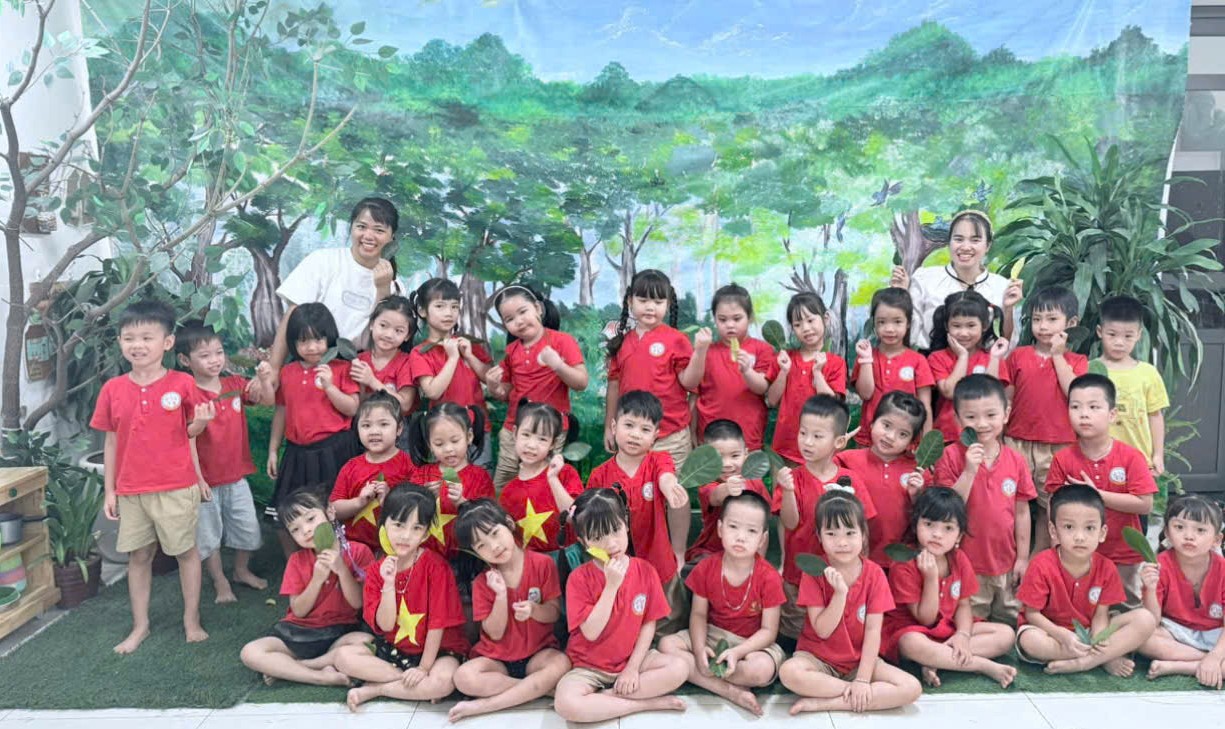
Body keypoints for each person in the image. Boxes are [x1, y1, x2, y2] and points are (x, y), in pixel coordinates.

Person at [90, 299, 211, 653]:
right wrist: (110, 490)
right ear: (120, 342)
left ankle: (191, 620)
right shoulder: (112, 389)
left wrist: (201, 424)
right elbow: (111, 442)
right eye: (129, 338)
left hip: (177, 486)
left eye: (147, 337)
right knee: (138, 557)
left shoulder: (183, 383)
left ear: (167, 342)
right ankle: (140, 625)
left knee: (185, 552)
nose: (138, 345)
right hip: (131, 490)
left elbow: (191, 432)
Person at [552, 489, 689, 723]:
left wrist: (632, 668)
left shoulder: (645, 570)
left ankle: (602, 701)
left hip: (632, 659)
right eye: (598, 537)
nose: (611, 543)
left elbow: (648, 624)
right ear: (583, 542)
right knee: (566, 703)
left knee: (679, 668)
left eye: (615, 530)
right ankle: (645, 704)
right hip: (588, 666)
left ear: (625, 524)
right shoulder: (579, 579)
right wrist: (611, 586)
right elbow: (591, 632)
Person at [778, 492, 922, 714]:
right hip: (818, 659)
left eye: (850, 533)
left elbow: (873, 631)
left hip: (859, 662)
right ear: (819, 537)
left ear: (863, 535)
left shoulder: (874, 574)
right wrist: (840, 594)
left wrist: (863, 679)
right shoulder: (814, 572)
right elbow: (823, 630)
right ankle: (854, 694)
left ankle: (826, 702)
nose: (842, 542)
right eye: (831, 533)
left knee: (911, 688)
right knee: (789, 672)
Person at [336, 486, 470, 709]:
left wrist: (424, 668)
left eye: (416, 528)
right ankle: (407, 684)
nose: (406, 536)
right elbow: (386, 625)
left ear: (425, 534)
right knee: (343, 657)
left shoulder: (436, 567)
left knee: (443, 681)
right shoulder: (376, 570)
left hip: (438, 651)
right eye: (398, 525)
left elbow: (437, 624)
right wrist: (388, 584)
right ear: (384, 524)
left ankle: (376, 689)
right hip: (396, 650)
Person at [659, 491, 786, 716]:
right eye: (733, 527)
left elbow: (768, 631)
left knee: (761, 669)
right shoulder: (706, 568)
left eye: (751, 531)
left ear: (762, 539)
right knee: (666, 645)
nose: (740, 537)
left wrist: (738, 652)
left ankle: (707, 675)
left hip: (750, 643)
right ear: (720, 529)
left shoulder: (769, 577)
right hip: (712, 634)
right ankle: (730, 691)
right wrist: (699, 649)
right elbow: (698, 615)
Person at [448, 500, 571, 721]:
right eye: (482, 546)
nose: (494, 547)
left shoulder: (543, 564)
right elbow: (494, 634)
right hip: (497, 660)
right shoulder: (482, 582)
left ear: (509, 524)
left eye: (495, 533)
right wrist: (500, 596)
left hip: (538, 654)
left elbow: (553, 613)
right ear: (475, 552)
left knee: (561, 663)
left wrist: (534, 610)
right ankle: (538, 689)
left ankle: (485, 705)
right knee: (463, 677)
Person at [1015, 484, 1157, 675]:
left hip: (1089, 631)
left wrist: (1099, 639)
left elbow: (1100, 615)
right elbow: (1032, 614)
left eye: (1089, 528)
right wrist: (1061, 635)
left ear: (1102, 533)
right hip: (1052, 633)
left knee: (1145, 619)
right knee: (1029, 640)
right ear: (1053, 531)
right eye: (1069, 527)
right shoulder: (1041, 565)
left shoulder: (1106, 567)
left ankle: (1085, 662)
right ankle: (1102, 658)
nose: (1080, 537)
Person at [884, 487, 1017, 688]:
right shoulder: (904, 564)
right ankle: (981, 665)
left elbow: (963, 605)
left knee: (1006, 635)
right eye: (929, 524)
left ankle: (937, 660)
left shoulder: (959, 559)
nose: (937, 534)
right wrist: (930, 578)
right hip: (914, 630)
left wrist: (962, 635)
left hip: (947, 628)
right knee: (911, 643)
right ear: (915, 525)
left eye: (948, 528)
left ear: (959, 536)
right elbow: (926, 619)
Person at [175, 320, 271, 603]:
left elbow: (266, 401)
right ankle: (220, 582)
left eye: (218, 352)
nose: (215, 360)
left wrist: (264, 380)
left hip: (237, 476)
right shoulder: (186, 395)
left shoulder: (235, 384)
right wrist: (198, 479)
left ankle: (241, 570)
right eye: (204, 355)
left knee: (248, 528)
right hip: (204, 481)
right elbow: (185, 438)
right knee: (208, 537)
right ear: (185, 360)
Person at [239, 491, 373, 686]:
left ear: (330, 512)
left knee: (366, 642)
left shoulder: (358, 552)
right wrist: (316, 580)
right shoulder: (296, 561)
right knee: (250, 652)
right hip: (298, 633)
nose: (306, 530)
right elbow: (299, 611)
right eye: (295, 529)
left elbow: (358, 603)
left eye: (311, 519)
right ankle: (322, 676)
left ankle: (297, 667)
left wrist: (342, 571)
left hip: (340, 633)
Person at [1045, 374, 1157, 608]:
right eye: (1075, 407)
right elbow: (1053, 505)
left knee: (1126, 610)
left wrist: (1097, 495)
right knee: (1082, 611)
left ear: (1112, 414)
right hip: (1077, 555)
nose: (1084, 414)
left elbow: (1145, 504)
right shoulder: (1062, 459)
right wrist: (1057, 545)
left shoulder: (1131, 457)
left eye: (1094, 407)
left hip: (1123, 554)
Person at [585, 391, 691, 634]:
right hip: (615, 566)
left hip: (658, 561)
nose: (635, 434)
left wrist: (669, 486)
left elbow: (666, 476)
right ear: (614, 427)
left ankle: (667, 646)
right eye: (629, 425)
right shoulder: (600, 475)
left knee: (669, 619)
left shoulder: (658, 461)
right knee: (625, 619)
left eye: (645, 429)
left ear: (655, 436)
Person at [934, 374, 1035, 622]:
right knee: (969, 622)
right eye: (971, 417)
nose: (981, 424)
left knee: (1010, 621)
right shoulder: (950, 456)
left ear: (1006, 414)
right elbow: (947, 509)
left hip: (1006, 563)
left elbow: (1022, 512)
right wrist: (969, 470)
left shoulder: (1016, 460)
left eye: (991, 415)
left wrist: (1023, 558)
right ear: (957, 419)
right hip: (966, 565)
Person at [268, 197, 406, 379]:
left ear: (392, 237)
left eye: (379, 230)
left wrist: (383, 288)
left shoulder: (396, 285)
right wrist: (274, 368)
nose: (368, 236)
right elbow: (293, 315)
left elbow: (384, 338)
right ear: (351, 228)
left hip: (358, 372)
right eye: (361, 227)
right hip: (312, 364)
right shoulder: (322, 261)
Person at [774, 396, 875, 641]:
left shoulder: (850, 480)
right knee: (795, 633)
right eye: (803, 433)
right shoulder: (793, 478)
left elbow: (863, 529)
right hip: (798, 574)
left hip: (840, 575)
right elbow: (790, 523)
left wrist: (861, 570)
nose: (807, 442)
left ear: (838, 441)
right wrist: (787, 491)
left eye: (817, 436)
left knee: (835, 631)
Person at [261, 303, 362, 540]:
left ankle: (341, 557)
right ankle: (295, 560)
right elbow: (281, 411)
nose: (312, 347)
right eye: (303, 341)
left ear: (330, 337)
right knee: (287, 513)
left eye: (318, 339)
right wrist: (273, 450)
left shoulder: (340, 367)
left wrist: (329, 387)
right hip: (297, 454)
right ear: (293, 342)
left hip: (334, 451)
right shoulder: (288, 372)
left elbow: (352, 408)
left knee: (334, 512)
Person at [1004, 285, 1088, 552]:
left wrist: (1057, 355)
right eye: (1037, 319)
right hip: (1016, 440)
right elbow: (1007, 400)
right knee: (1008, 502)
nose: (1043, 326)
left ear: (1071, 323)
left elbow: (1075, 393)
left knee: (1048, 506)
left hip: (1058, 445)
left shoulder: (1077, 360)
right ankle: (1011, 559)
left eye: (1052, 319)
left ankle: (1040, 561)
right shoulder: (1018, 356)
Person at [484, 285, 588, 487]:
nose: (519, 321)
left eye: (523, 312)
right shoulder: (511, 351)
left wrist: (557, 365)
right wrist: (494, 387)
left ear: (538, 308)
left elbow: (581, 383)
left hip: (550, 430)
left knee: (544, 482)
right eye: (510, 319)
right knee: (505, 480)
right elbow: (507, 393)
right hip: (514, 429)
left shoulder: (562, 341)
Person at [891, 209, 1019, 350]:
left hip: (985, 362)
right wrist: (900, 294)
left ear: (987, 245)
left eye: (975, 240)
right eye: (958, 239)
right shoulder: (924, 279)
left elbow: (1007, 345)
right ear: (949, 242)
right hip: (930, 361)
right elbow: (908, 335)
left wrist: (1008, 309)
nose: (965, 247)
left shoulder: (1001, 286)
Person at [604, 270, 695, 468]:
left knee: (672, 487)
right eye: (643, 300)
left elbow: (692, 385)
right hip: (632, 437)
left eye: (658, 302)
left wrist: (702, 352)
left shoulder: (677, 340)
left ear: (668, 305)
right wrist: (609, 427)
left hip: (671, 438)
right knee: (634, 486)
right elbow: (613, 387)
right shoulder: (622, 343)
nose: (650, 307)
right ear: (630, 301)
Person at [406, 278, 494, 467]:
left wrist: (469, 356)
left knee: (481, 478)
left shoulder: (469, 343)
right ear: (422, 311)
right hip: (444, 433)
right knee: (449, 480)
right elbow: (432, 391)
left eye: (454, 307)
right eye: (440, 306)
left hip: (477, 428)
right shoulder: (420, 352)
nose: (449, 313)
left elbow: (489, 378)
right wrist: (453, 358)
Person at [1139, 495, 1225, 686]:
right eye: (1179, 527)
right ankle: (1206, 662)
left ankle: (1181, 666)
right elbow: (1152, 621)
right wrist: (1150, 589)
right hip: (1176, 633)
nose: (1189, 536)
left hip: (1217, 634)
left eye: (1200, 530)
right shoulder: (1160, 565)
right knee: (1142, 637)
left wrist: (1217, 654)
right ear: (1167, 533)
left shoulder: (1222, 568)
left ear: (1216, 539)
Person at [835, 391, 927, 568]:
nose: (890, 437)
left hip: (900, 561)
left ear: (911, 442)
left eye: (902, 434)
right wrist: (832, 448)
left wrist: (917, 495)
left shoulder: (917, 471)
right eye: (886, 425)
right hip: (853, 557)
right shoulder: (846, 460)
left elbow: (927, 517)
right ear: (872, 423)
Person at [683, 284, 777, 453]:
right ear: (715, 319)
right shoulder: (706, 352)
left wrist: (747, 371)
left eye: (737, 318)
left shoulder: (762, 349)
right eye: (723, 320)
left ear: (749, 317)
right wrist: (692, 430)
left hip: (748, 436)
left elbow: (763, 388)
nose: (730, 325)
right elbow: (695, 396)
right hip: (710, 436)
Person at [404, 402, 495, 559]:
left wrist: (462, 503)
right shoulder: (422, 474)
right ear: (430, 445)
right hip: (426, 557)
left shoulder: (480, 477)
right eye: (439, 444)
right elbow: (406, 514)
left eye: (455, 441)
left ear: (469, 437)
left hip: (466, 557)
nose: (448, 449)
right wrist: (424, 500)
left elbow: (488, 520)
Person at [328, 392, 416, 554]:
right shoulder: (351, 467)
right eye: (366, 425)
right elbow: (334, 508)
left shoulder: (407, 465)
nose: (374, 431)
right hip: (355, 549)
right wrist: (358, 502)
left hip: (394, 549)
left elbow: (416, 508)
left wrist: (390, 500)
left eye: (383, 424)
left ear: (399, 428)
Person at [768, 291, 848, 466]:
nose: (805, 328)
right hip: (784, 448)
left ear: (825, 318)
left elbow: (833, 407)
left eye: (811, 320)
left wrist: (818, 373)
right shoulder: (786, 359)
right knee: (783, 484)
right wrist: (783, 372)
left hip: (820, 450)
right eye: (798, 324)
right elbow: (772, 400)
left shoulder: (836, 363)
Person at [1094, 295, 1170, 476]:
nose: (1119, 342)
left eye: (1128, 336)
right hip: (1096, 460)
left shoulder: (1148, 373)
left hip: (1139, 462)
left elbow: (1155, 416)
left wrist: (1158, 455)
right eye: (1112, 334)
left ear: (1139, 335)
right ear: (1100, 331)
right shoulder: (1090, 370)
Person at [851, 287, 934, 446]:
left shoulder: (918, 360)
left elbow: (925, 407)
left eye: (897, 322)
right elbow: (866, 394)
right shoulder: (865, 356)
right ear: (874, 323)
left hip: (905, 442)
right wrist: (867, 360)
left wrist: (926, 445)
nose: (889, 329)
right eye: (882, 322)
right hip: (868, 440)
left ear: (908, 323)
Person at [498, 402, 585, 552]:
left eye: (542, 439)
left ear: (553, 444)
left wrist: (553, 479)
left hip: (566, 558)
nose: (532, 445)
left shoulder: (565, 473)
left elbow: (576, 518)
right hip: (531, 561)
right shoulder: (508, 492)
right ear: (515, 433)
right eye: (526, 435)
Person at [926, 290, 1011, 443]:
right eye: (956, 326)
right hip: (947, 437)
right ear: (946, 326)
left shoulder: (992, 357)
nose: (964, 333)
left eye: (971, 325)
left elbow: (990, 394)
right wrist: (963, 356)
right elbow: (950, 392)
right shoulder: (937, 358)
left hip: (983, 437)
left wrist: (994, 359)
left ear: (984, 325)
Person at [685, 419, 770, 565]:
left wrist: (758, 563)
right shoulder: (707, 482)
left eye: (735, 456)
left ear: (746, 454)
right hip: (712, 550)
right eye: (718, 458)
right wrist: (728, 488)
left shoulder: (756, 483)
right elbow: (715, 496)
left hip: (748, 551)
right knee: (705, 564)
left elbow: (764, 526)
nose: (727, 464)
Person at [349, 295, 417, 415]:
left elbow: (405, 405)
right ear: (371, 324)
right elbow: (355, 406)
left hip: (396, 424)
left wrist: (372, 381)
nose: (389, 335)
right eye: (383, 326)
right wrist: (363, 386)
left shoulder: (407, 362)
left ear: (407, 335)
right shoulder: (358, 361)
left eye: (398, 330)